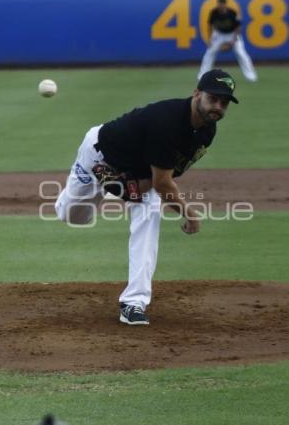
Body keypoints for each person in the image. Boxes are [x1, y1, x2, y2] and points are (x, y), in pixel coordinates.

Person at [55, 69, 239, 326]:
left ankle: (134, 303)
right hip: (98, 156)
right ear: (197, 94)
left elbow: (163, 178)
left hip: (143, 172)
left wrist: (133, 188)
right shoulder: (167, 121)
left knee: (149, 215)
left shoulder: (207, 132)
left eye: (224, 102)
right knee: (73, 216)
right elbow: (164, 183)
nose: (218, 106)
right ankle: (72, 195)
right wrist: (189, 213)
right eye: (213, 98)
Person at [198, 0, 257, 82]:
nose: (220, 5)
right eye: (219, 3)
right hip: (219, 34)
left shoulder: (232, 13)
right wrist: (210, 39)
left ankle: (251, 76)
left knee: (241, 53)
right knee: (210, 52)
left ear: (225, 4)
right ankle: (202, 75)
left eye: (222, 3)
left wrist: (233, 40)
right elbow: (210, 26)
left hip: (232, 34)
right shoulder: (214, 13)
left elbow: (238, 27)